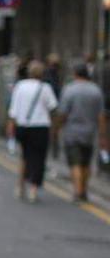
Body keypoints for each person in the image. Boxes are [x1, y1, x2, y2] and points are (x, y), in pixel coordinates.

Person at [7, 59, 58, 204]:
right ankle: (33, 190)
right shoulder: (45, 88)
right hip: (40, 127)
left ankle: (20, 186)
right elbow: (53, 106)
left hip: (23, 126)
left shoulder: (20, 86)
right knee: (38, 159)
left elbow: (13, 110)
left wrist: (11, 125)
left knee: (24, 156)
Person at [56, 64, 105, 203]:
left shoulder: (69, 90)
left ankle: (78, 192)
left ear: (76, 74)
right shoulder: (96, 90)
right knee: (86, 163)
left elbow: (63, 113)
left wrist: (59, 126)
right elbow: (101, 115)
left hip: (72, 131)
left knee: (75, 162)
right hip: (90, 132)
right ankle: (84, 190)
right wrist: (102, 135)